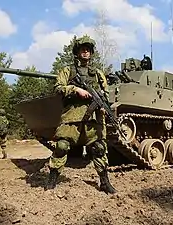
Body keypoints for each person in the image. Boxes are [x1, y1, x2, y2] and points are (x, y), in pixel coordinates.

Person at [45, 35, 117, 194]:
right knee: (62, 146)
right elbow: (58, 88)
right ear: (77, 52)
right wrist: (75, 89)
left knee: (99, 148)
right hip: (72, 117)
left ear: (91, 53)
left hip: (92, 119)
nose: (85, 52)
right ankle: (52, 179)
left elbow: (105, 94)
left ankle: (104, 182)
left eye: (88, 50)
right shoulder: (67, 70)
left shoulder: (98, 74)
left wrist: (104, 107)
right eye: (82, 49)